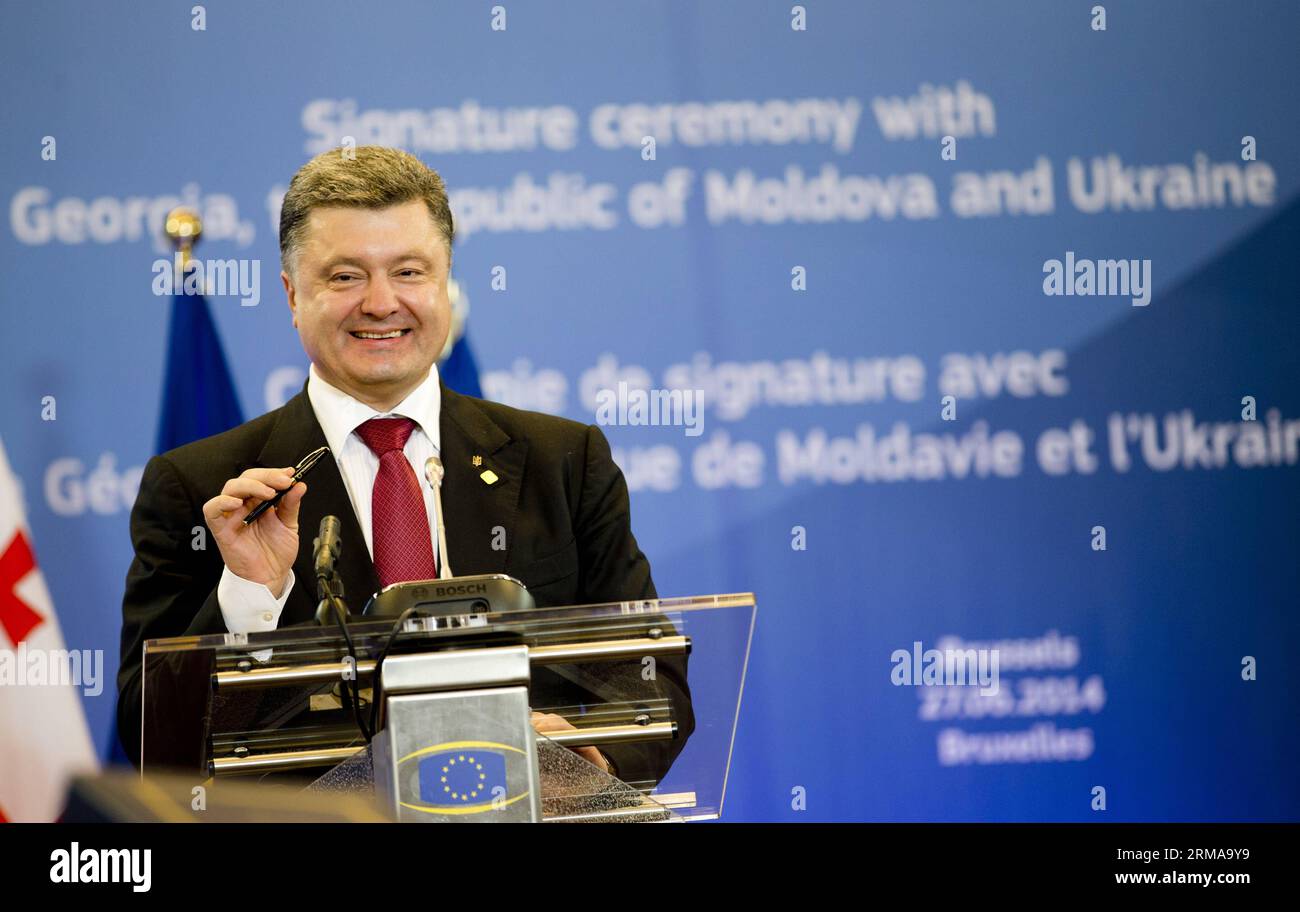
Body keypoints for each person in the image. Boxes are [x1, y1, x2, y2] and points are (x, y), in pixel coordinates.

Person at [117, 146, 692, 787]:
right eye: (344, 277)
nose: (382, 303)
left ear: (446, 279)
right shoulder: (202, 485)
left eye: (409, 272)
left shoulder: (564, 461)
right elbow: (154, 743)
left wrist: (596, 758)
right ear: (291, 294)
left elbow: (651, 676)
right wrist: (250, 595)